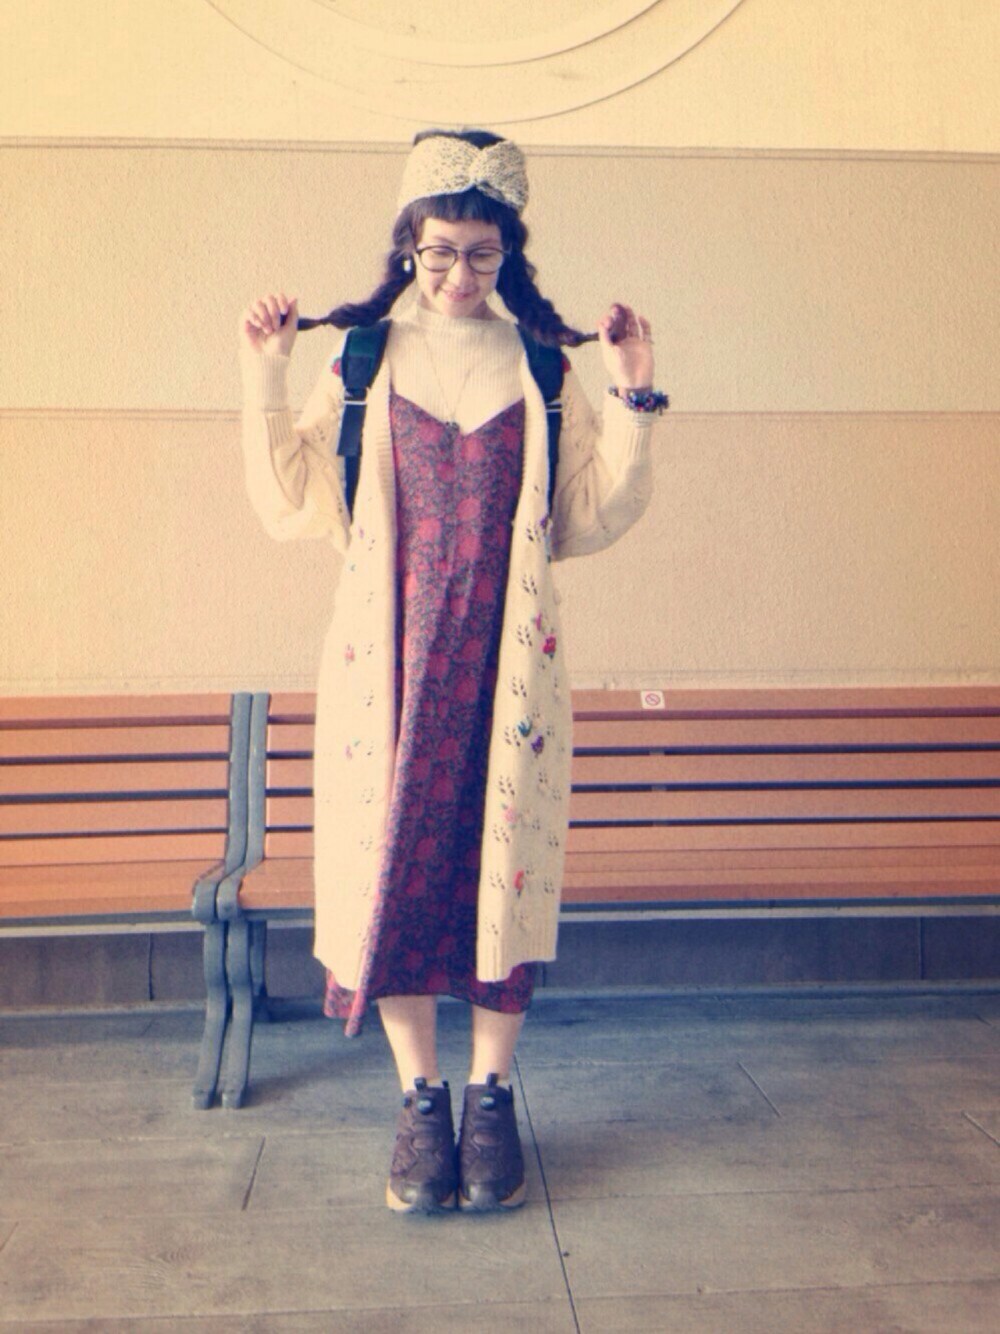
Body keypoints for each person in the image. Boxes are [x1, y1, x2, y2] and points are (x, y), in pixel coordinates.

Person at [238, 127, 666, 1214]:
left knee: (499, 875)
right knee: (395, 872)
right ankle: (419, 1100)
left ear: (507, 252)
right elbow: (291, 502)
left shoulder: (539, 364)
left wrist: (632, 393)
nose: (458, 274)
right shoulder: (362, 358)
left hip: (504, 668)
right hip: (385, 670)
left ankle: (490, 1097)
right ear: (408, 245)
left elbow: (584, 517)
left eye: (480, 253)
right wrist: (266, 372)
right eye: (438, 251)